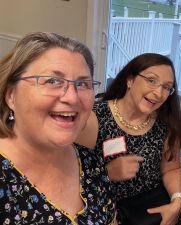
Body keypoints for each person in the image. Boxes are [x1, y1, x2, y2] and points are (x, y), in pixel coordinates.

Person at [0, 32, 116, 224]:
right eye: (52, 81)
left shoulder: (91, 163)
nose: (72, 97)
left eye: (82, 84)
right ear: (10, 95)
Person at [77, 53, 181, 225]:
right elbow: (74, 178)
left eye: (166, 87)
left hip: (154, 208)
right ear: (130, 80)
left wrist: (177, 202)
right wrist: (107, 173)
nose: (158, 93)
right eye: (151, 80)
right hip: (107, 211)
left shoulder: (166, 122)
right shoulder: (95, 119)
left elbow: (171, 168)